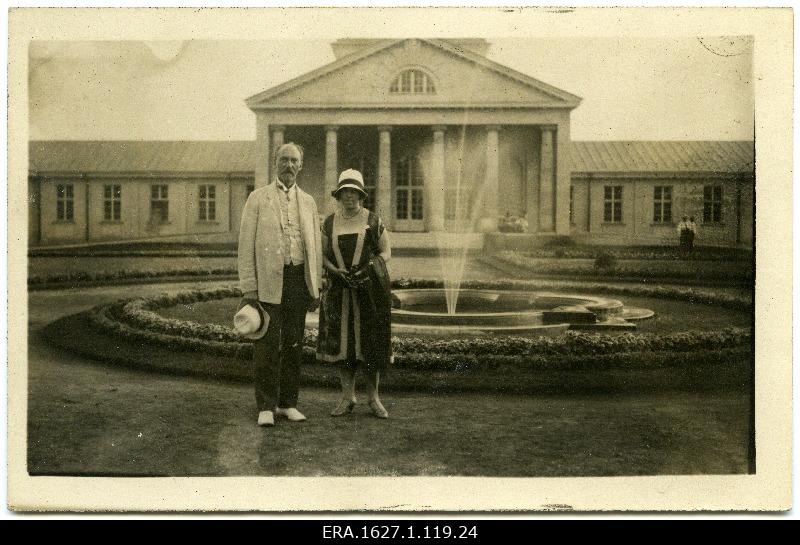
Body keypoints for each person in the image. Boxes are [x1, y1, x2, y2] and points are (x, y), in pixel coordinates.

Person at [237, 142, 322, 427]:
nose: (289, 165)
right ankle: (266, 406)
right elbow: (245, 246)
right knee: (267, 343)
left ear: (301, 166)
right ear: (275, 163)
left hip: (298, 280)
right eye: (284, 159)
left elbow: (315, 248)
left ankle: (288, 404)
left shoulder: (308, 202)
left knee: (294, 344)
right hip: (268, 281)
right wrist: (249, 287)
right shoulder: (258, 198)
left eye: (294, 161)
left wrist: (314, 287)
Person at [316, 169, 393, 419]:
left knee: (370, 345)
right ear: (339, 195)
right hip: (339, 292)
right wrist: (334, 270)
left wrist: (369, 268)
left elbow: (386, 252)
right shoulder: (329, 223)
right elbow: (322, 255)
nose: (349, 196)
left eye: (354, 192)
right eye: (344, 192)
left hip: (368, 292)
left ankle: (373, 398)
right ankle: (347, 397)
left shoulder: (373, 220)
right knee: (343, 348)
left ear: (361, 195)